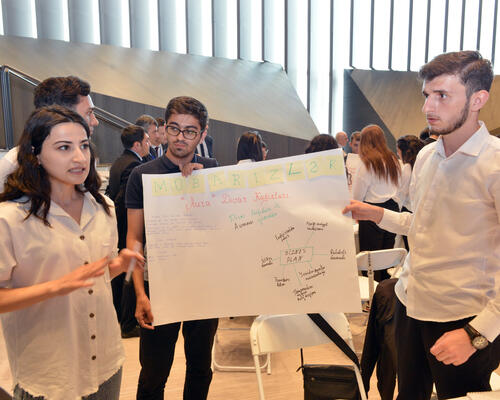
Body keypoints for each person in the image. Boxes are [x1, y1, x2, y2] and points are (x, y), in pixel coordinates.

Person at [343, 51, 500, 399]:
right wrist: (377, 214)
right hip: (410, 301)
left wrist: (479, 333)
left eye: (442, 95)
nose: (428, 106)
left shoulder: (494, 165)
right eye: (427, 95)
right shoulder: (428, 156)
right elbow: (425, 225)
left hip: (463, 317)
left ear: (478, 99)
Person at [0, 106, 143, 400]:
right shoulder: (10, 218)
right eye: (64, 147)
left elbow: (91, 277)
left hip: (105, 362)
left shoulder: (103, 207)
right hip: (49, 372)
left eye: (84, 146)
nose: (79, 157)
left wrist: (118, 264)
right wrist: (56, 286)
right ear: (36, 154)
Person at [126, 96, 219, 400]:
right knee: (153, 374)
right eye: (175, 128)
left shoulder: (212, 171)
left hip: (203, 287)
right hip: (159, 286)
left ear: (202, 134)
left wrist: (200, 186)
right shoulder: (142, 174)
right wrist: (140, 293)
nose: (181, 137)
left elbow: (223, 229)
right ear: (164, 129)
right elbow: (134, 239)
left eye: (190, 131)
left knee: (200, 369)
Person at [0, 75, 99, 191]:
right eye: (89, 113)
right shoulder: (13, 168)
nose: (95, 121)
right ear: (61, 114)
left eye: (84, 146)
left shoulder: (84, 158)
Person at [105, 125, 150, 338]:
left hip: (119, 226)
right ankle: (128, 323)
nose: (149, 145)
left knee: (123, 273)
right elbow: (123, 200)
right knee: (131, 273)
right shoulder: (134, 166)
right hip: (128, 226)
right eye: (146, 141)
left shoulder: (118, 162)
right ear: (137, 144)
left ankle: (122, 317)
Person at [352, 124, 401, 281]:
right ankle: (383, 291)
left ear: (365, 141)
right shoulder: (393, 159)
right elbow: (399, 186)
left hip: (371, 212)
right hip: (392, 209)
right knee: (386, 258)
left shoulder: (366, 162)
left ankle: (372, 293)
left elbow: (357, 195)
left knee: (370, 261)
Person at [395, 135, 425, 250]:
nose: (397, 154)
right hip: (418, 209)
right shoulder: (421, 165)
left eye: (398, 151)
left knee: (409, 246)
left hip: (408, 209)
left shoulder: (407, 167)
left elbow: (401, 193)